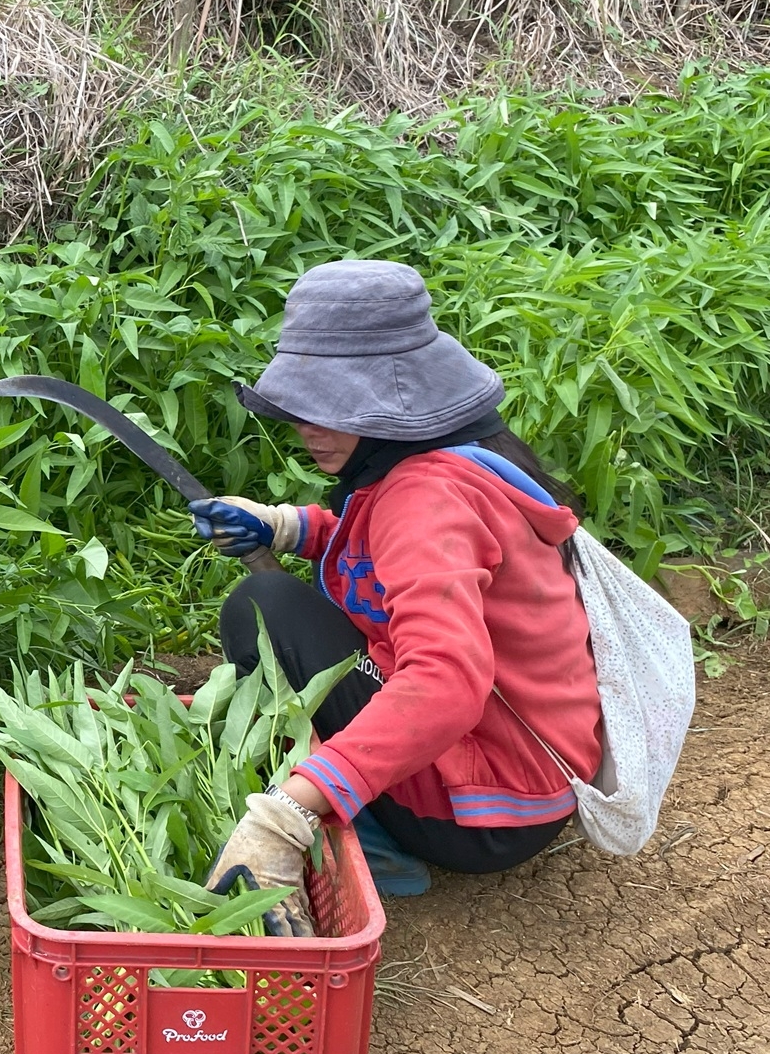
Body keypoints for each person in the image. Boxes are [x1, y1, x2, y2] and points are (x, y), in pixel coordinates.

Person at [191, 259, 602, 934]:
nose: (307, 428)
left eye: (331, 410)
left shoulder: (424, 498)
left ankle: (371, 840)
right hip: (529, 774)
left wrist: (290, 812)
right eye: (304, 407)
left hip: (484, 809)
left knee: (265, 607)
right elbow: (383, 561)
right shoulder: (450, 460)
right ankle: (363, 810)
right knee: (277, 602)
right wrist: (289, 527)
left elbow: (445, 682)